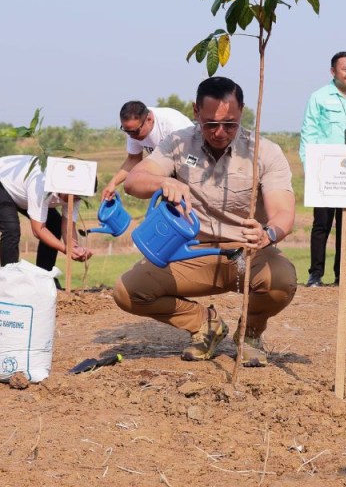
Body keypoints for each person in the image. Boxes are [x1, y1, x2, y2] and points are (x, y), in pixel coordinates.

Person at [114, 76, 297, 367]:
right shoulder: (178, 143)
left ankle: (249, 334)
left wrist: (267, 234)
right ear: (196, 111)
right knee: (128, 292)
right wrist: (163, 182)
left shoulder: (265, 151)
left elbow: (283, 212)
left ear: (243, 112)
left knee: (282, 280)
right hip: (192, 253)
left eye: (230, 124)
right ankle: (205, 325)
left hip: (246, 254)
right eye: (211, 124)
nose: (220, 132)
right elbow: (134, 181)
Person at [298, 51, 346, 287]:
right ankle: (315, 273)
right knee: (322, 225)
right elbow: (309, 133)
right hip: (326, 170)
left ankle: (343, 272)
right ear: (333, 72)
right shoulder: (318, 97)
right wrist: (310, 168)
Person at [0, 155, 93, 273]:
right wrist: (65, 249)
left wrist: (75, 248)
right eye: (75, 197)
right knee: (11, 229)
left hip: (23, 192)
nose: (76, 200)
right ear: (64, 187)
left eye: (79, 198)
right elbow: (38, 230)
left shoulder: (78, 190)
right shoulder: (41, 185)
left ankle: (44, 275)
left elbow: (68, 225)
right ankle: (9, 278)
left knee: (54, 224)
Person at [100, 101, 193, 200]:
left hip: (193, 163)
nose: (131, 136)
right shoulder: (134, 129)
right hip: (170, 173)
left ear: (149, 119)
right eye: (127, 131)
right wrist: (112, 183)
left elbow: (192, 158)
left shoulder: (173, 125)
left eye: (135, 131)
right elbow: (133, 159)